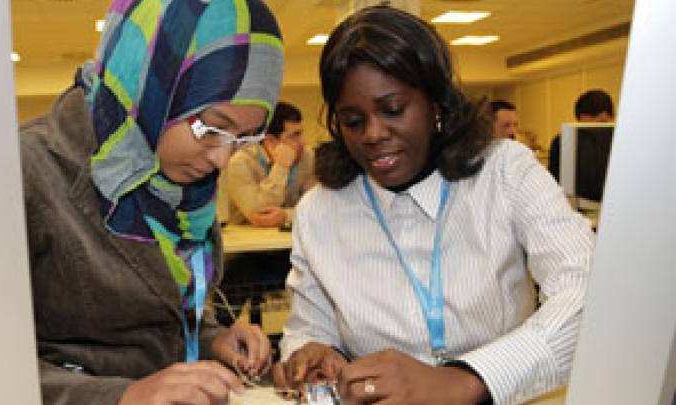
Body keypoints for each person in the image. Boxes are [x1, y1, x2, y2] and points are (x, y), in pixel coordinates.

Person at [273, 6, 594, 405]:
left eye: (393, 110)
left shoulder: (504, 171)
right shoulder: (319, 212)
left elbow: (587, 291)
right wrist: (315, 354)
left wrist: (467, 379)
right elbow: (308, 328)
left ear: (437, 104)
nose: (373, 135)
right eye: (353, 121)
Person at [19, 1, 284, 404]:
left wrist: (211, 338)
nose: (221, 159)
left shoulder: (181, 182)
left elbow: (159, 311)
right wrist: (123, 395)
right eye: (211, 128)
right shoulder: (26, 170)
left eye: (243, 139)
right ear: (148, 84)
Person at [226, 101, 316, 227]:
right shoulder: (240, 163)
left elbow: (316, 209)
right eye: (294, 136)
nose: (303, 142)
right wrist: (281, 167)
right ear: (270, 141)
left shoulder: (306, 156)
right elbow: (262, 215)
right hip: (250, 243)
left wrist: (286, 215)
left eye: (301, 133)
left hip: (291, 239)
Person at [548, 89, 615, 180]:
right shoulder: (564, 143)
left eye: (601, 124)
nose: (596, 134)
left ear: (613, 118)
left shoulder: (623, 144)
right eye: (586, 127)